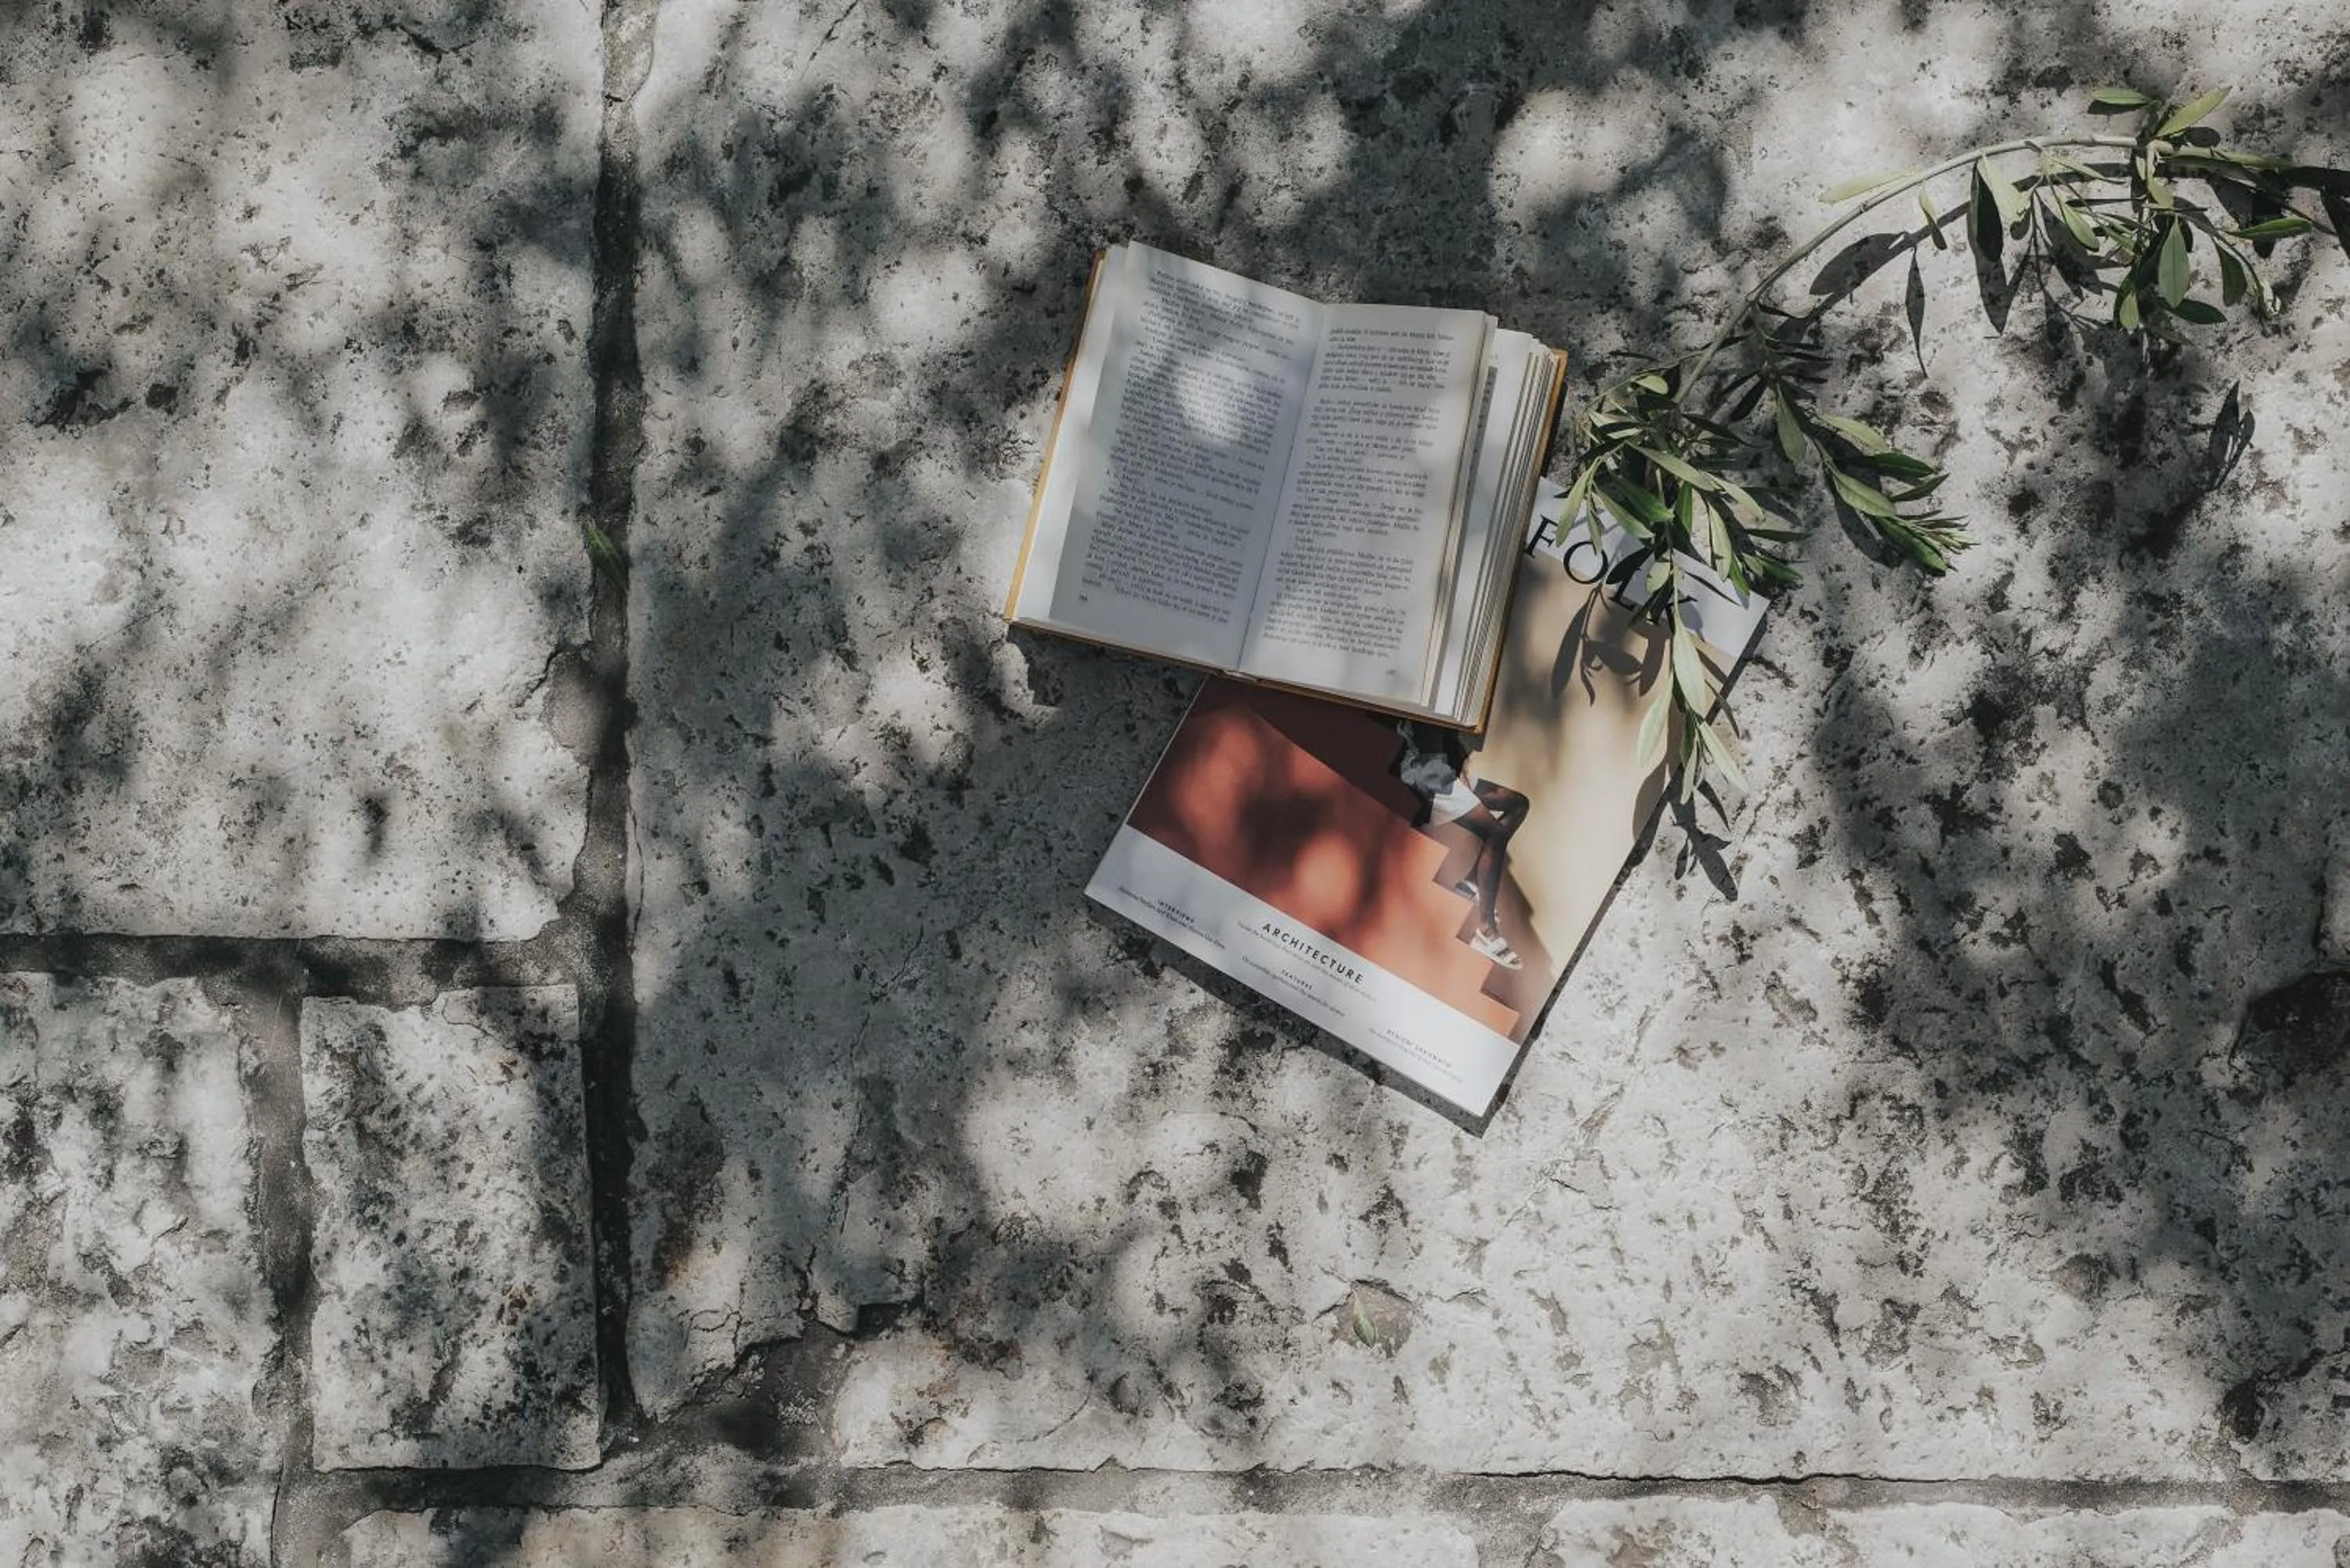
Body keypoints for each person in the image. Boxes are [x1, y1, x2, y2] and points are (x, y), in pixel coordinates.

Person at [1391, 721, 1531, 970]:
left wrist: (1462, 762)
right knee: (1495, 832)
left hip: (1447, 769)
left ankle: (1470, 885)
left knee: (1518, 803)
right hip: (1427, 774)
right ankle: (1486, 928)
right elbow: (1419, 734)